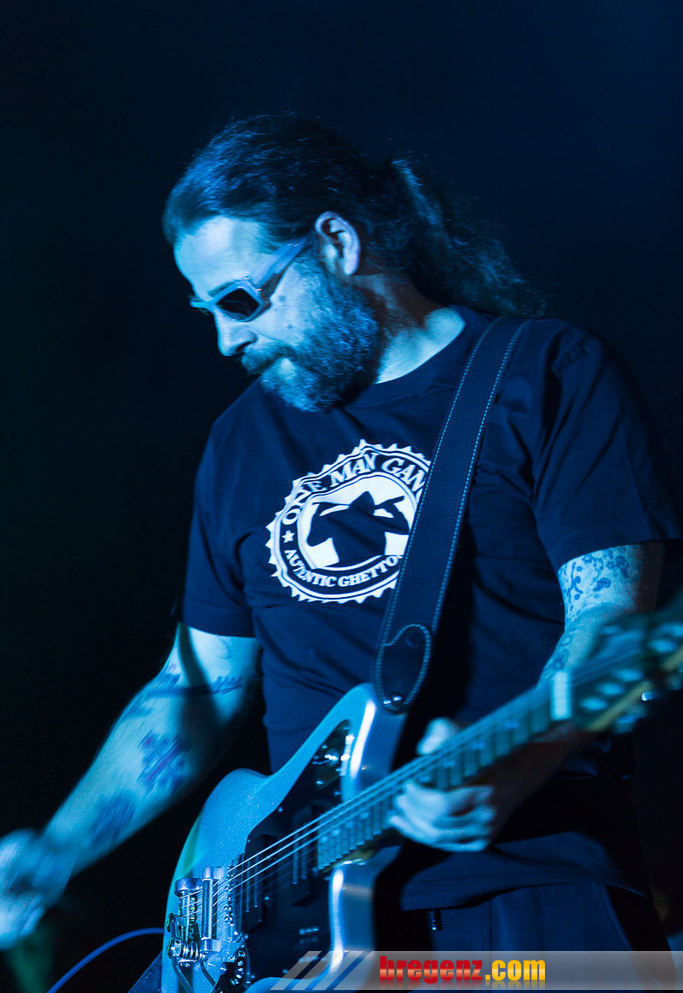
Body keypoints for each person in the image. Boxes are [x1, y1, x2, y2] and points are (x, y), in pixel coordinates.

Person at [0, 114, 680, 972]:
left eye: (241, 300)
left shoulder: (546, 372)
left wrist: (521, 762)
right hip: (295, 936)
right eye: (207, 311)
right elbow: (198, 685)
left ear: (336, 243)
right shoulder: (241, 440)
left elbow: (611, 629)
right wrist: (59, 848)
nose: (226, 340)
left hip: (526, 890)